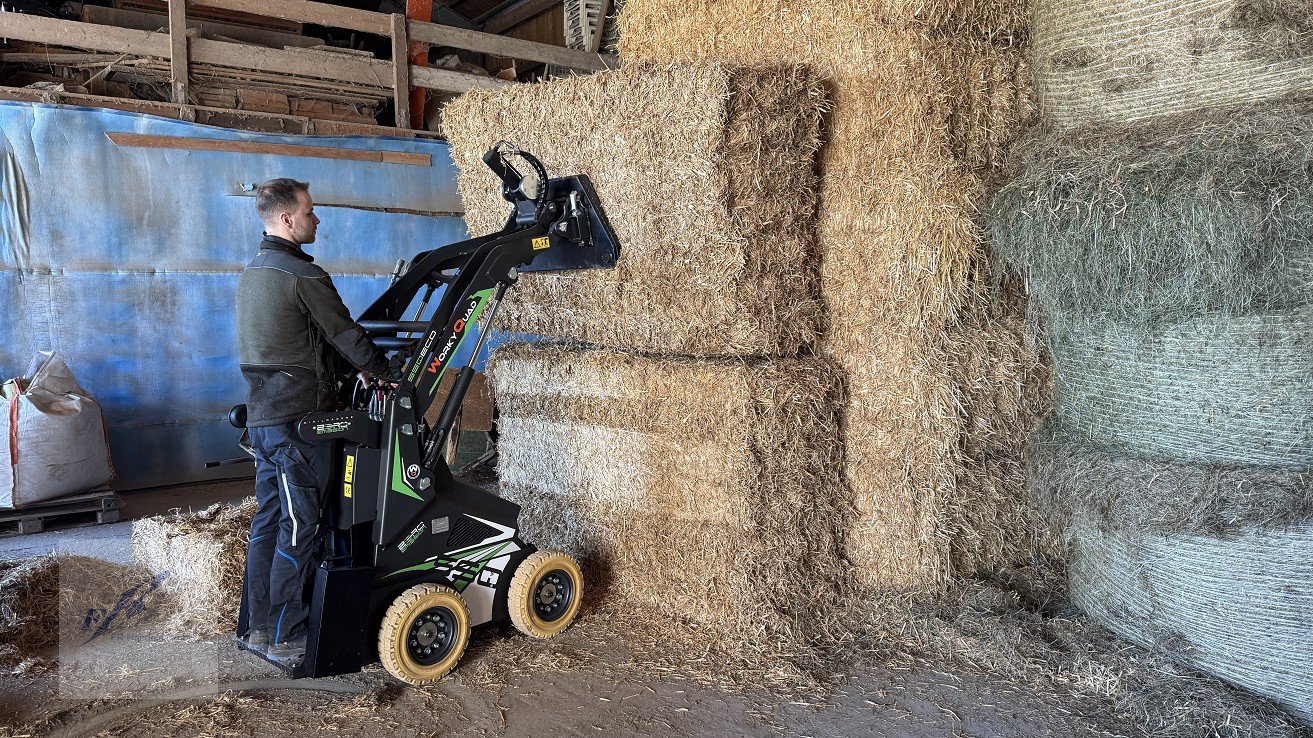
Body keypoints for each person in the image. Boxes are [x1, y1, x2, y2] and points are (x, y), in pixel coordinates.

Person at [235, 178, 389, 666]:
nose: (315, 219)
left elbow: (306, 341)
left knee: (269, 522)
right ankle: (287, 633)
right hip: (298, 423)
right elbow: (344, 334)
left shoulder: (254, 272)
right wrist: (387, 375)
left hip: (265, 420)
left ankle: (258, 627)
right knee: (301, 527)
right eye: (309, 211)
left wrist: (350, 367)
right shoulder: (303, 275)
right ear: (287, 219)